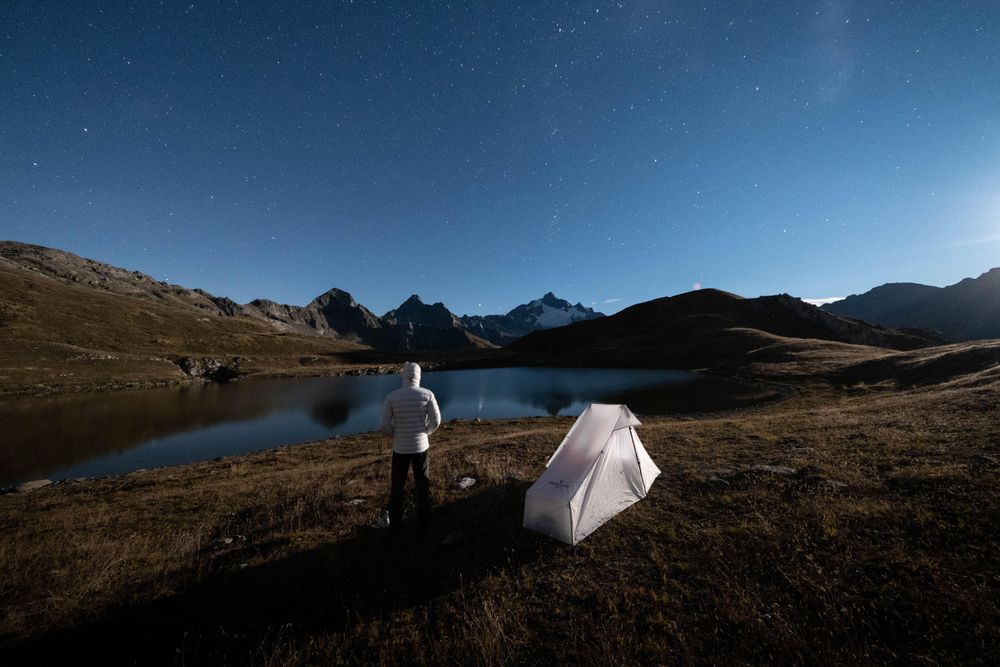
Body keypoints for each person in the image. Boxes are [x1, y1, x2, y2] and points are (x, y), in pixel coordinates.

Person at [378, 361, 441, 534]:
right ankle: (424, 525)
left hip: (400, 449)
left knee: (397, 487)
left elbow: (384, 426)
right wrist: (424, 433)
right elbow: (436, 421)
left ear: (403, 376)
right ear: (419, 376)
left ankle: (396, 527)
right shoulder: (427, 394)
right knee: (423, 486)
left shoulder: (392, 396)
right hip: (421, 448)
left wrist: (396, 436)